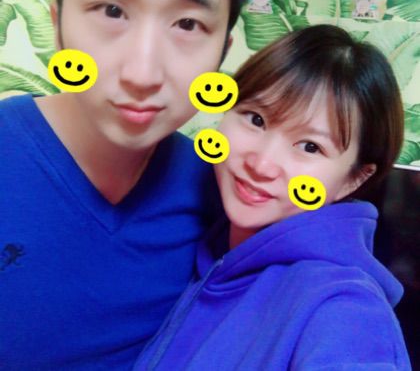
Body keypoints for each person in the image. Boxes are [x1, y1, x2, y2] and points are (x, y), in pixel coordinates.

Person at [0, 0, 258, 369]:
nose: (143, 75)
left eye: (187, 24)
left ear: (222, 52)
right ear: (57, 23)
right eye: (112, 11)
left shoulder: (219, 191)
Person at [134, 25, 412, 370]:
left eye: (310, 146)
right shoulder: (210, 244)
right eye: (256, 119)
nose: (262, 164)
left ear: (353, 179)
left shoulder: (342, 306)